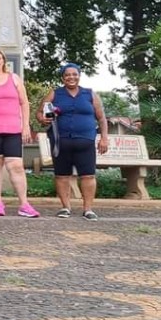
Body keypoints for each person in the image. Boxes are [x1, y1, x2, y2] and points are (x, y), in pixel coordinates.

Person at [37, 63, 109, 221]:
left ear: (79, 76)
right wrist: (43, 119)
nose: (71, 77)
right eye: (67, 75)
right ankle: (65, 207)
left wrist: (104, 138)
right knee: (61, 176)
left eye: (74, 74)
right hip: (61, 141)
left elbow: (101, 118)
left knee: (88, 176)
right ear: (63, 78)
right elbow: (40, 112)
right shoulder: (55, 94)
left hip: (85, 141)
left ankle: (88, 209)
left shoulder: (89, 94)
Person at [0, 47, 40, 218]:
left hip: (12, 129)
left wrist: (26, 126)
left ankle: (24, 204)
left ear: (4, 61)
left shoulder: (14, 79)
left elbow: (24, 103)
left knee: (15, 165)